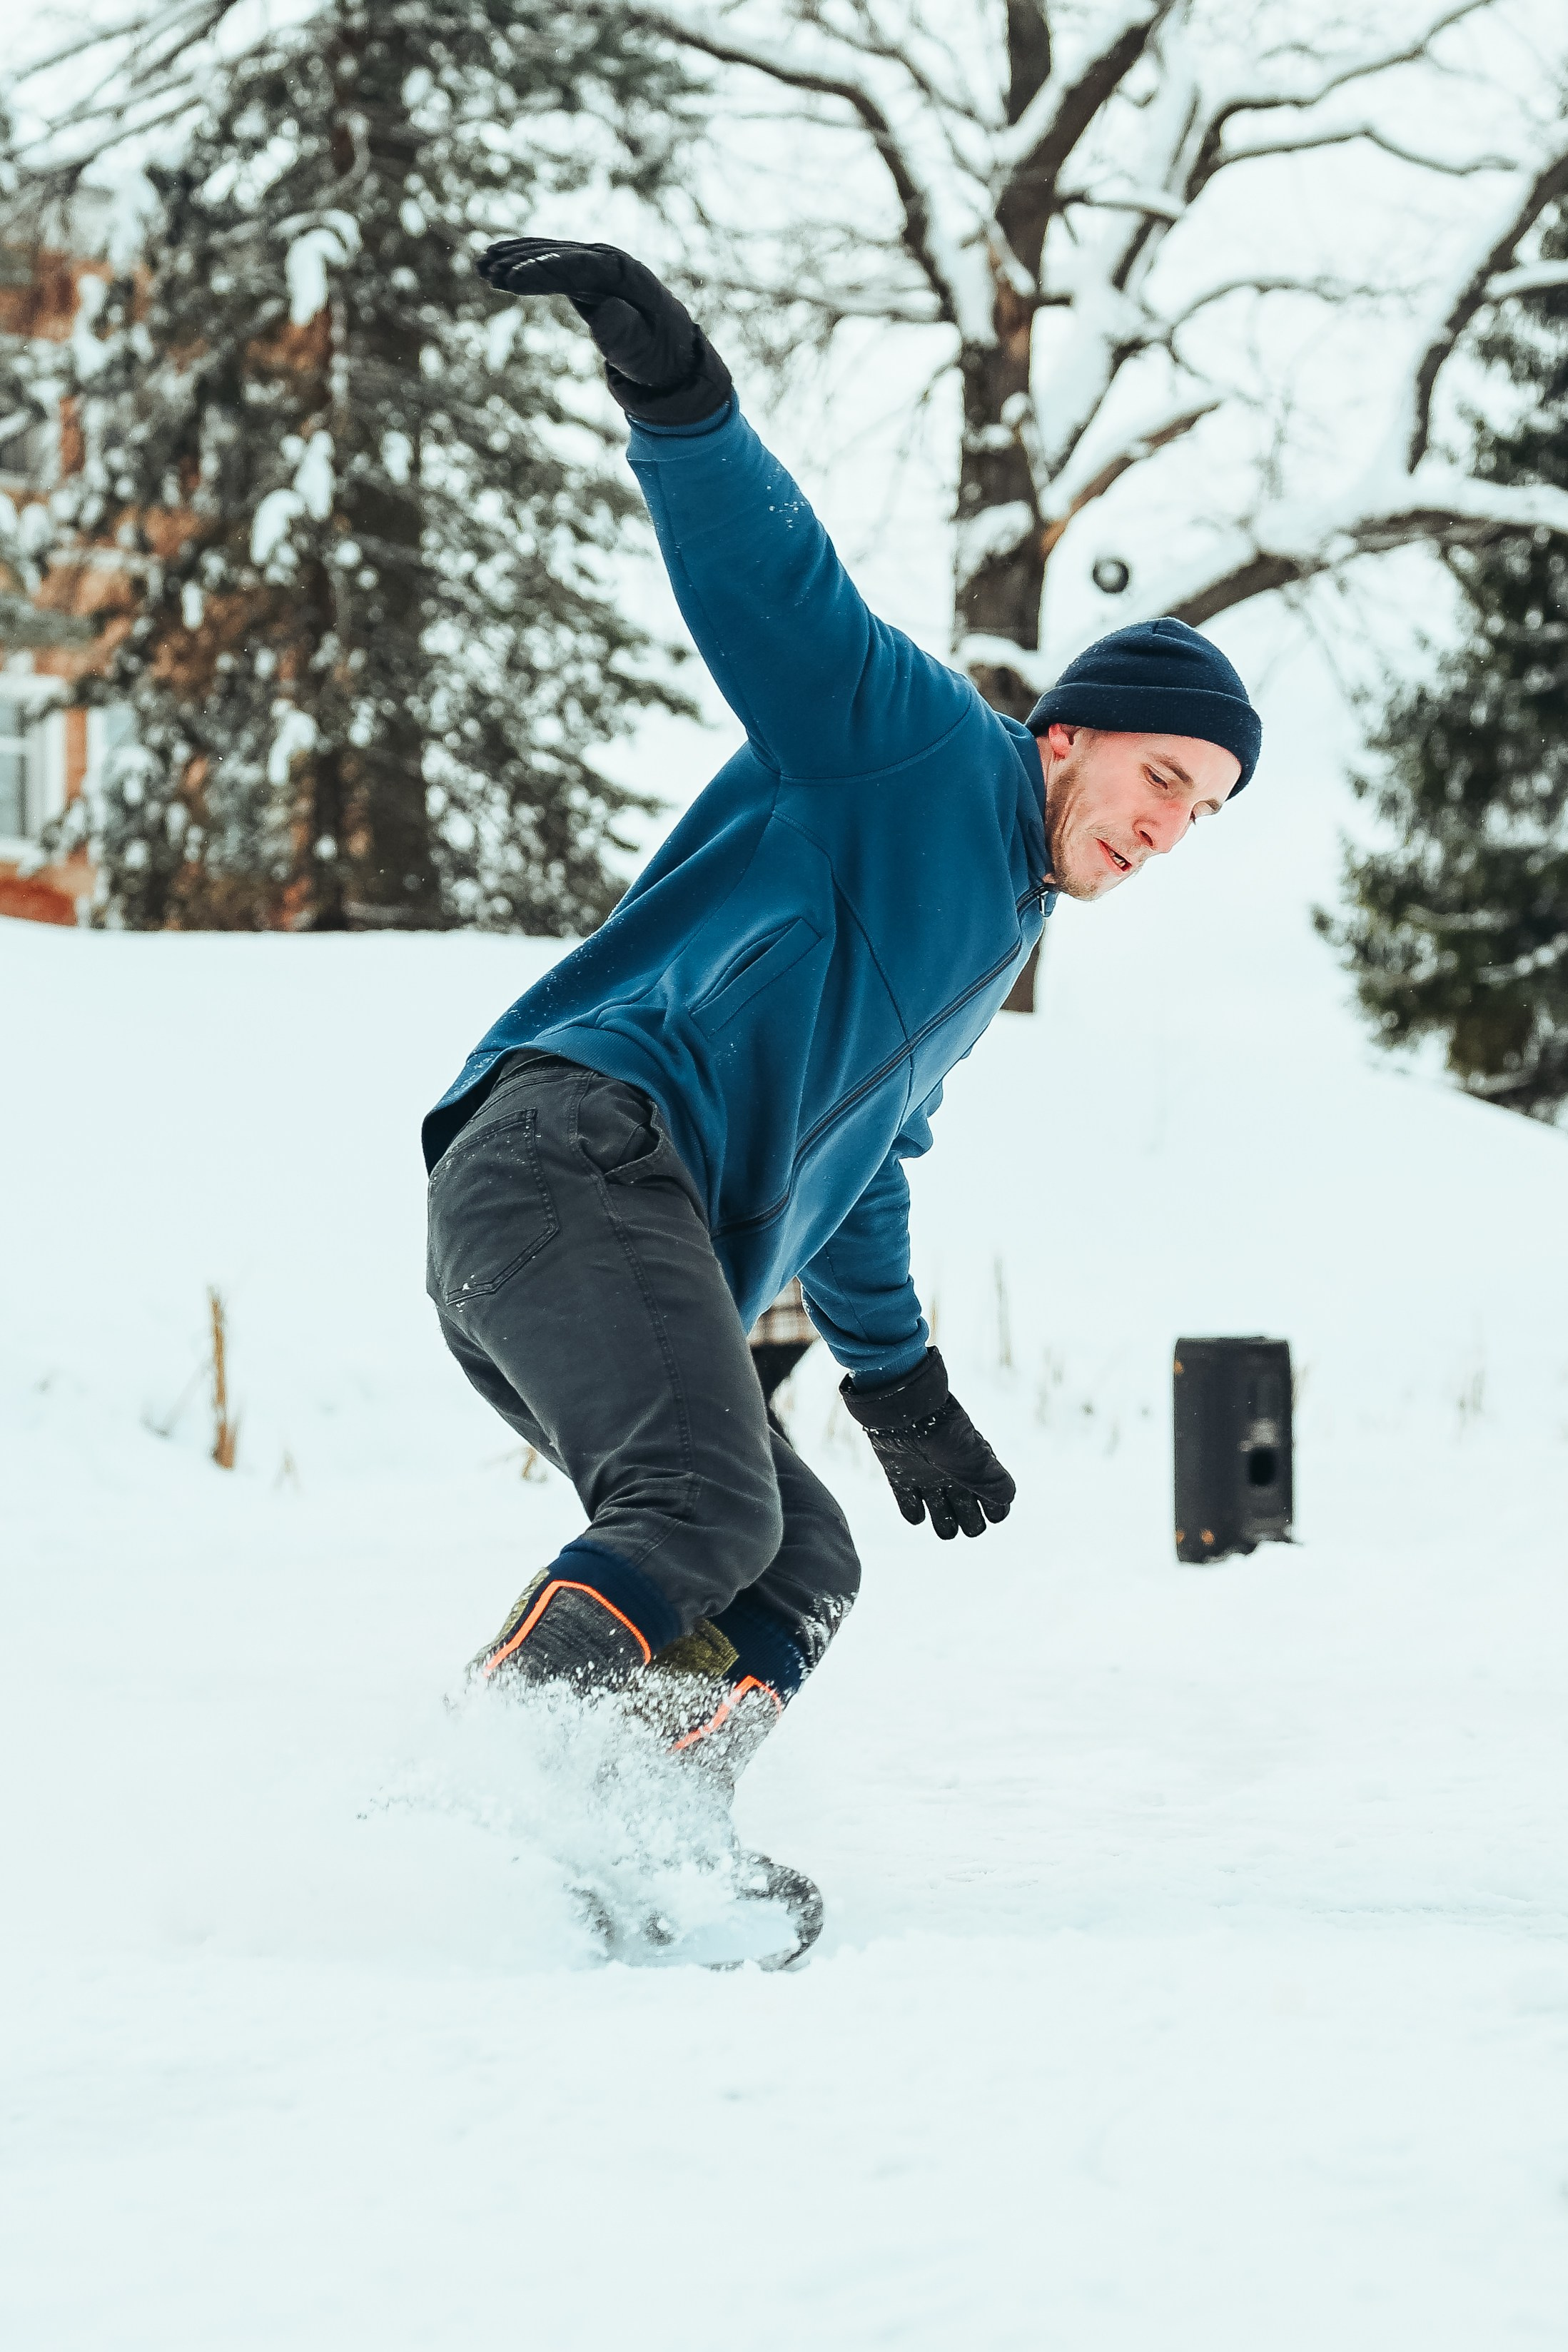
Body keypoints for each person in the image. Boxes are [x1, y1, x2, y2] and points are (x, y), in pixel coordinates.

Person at [424, 240, 1261, 1802]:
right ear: (1068, 733)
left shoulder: (987, 934)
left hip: (604, 1228)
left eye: (1198, 814)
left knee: (796, 1567)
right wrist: (679, 399)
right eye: (1160, 776)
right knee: (701, 1508)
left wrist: (898, 1384)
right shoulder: (923, 749)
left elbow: (858, 1169)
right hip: (573, 1152)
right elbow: (779, 595)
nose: (1165, 827)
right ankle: (480, 1794)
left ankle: (638, 1824)